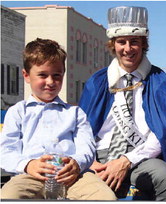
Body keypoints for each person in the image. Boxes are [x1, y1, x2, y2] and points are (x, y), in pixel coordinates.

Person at [78, 6, 166, 201]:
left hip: (140, 157)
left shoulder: (159, 81)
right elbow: (81, 129)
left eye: (134, 42)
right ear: (113, 44)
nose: (127, 48)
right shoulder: (98, 81)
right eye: (121, 42)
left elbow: (163, 134)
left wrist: (127, 160)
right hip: (98, 158)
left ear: (143, 44)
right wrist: (89, 161)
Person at [0, 38, 116, 200]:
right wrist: (28, 165)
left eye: (56, 75)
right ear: (26, 75)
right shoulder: (18, 112)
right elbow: (6, 151)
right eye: (42, 75)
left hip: (74, 178)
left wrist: (76, 164)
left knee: (105, 197)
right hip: (32, 177)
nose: (50, 82)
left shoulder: (75, 113)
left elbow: (87, 148)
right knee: (8, 196)